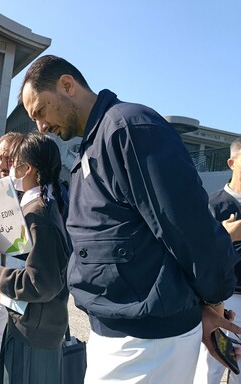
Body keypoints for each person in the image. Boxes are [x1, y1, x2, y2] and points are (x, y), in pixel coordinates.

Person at [20, 54, 241, 383]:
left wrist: (211, 300)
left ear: (67, 85)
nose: (40, 126)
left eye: (39, 111)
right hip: (123, 333)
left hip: (147, 341)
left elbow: (186, 229)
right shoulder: (96, 141)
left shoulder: (129, 129)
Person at [0, 132, 71, 384]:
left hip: (34, 331)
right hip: (30, 323)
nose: (8, 167)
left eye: (14, 161)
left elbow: (40, 282)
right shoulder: (40, 205)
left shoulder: (38, 215)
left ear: (27, 168)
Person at [194, 138, 241, 384]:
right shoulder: (211, 204)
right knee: (210, 368)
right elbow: (196, 254)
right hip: (221, 299)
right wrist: (226, 238)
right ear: (231, 163)